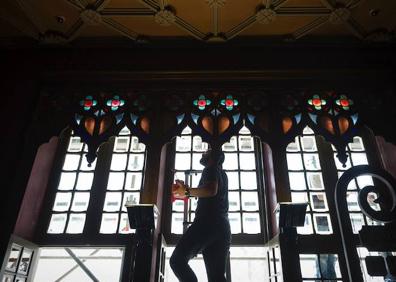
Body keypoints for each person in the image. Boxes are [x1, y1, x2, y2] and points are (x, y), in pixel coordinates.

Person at [170, 149, 231, 282]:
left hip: (207, 223)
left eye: (206, 152)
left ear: (213, 157)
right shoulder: (223, 174)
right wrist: (186, 189)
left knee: (177, 261)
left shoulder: (210, 169)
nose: (203, 154)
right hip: (223, 227)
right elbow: (208, 193)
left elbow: (210, 190)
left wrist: (186, 191)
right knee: (217, 277)